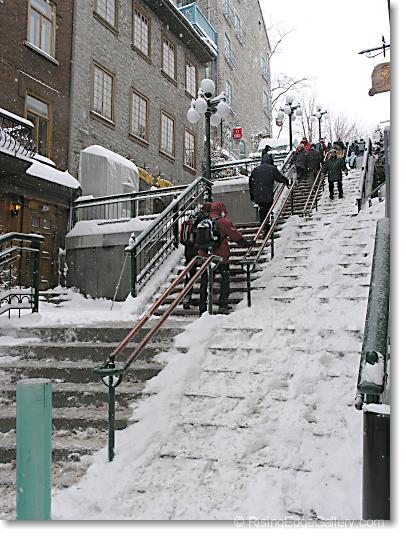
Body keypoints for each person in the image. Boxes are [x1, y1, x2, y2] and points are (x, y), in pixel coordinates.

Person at [198, 202, 253, 315]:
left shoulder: (204, 221)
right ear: (221, 210)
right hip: (221, 257)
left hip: (206, 257)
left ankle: (203, 307)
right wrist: (246, 243)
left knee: (205, 282)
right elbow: (235, 235)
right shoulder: (223, 222)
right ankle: (223, 304)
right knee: (224, 280)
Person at [249, 153, 290, 234]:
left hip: (257, 194)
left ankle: (264, 224)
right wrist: (286, 181)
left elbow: (251, 183)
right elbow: (279, 177)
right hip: (267, 194)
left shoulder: (256, 169)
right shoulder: (271, 168)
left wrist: (252, 195)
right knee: (267, 208)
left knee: (262, 208)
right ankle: (266, 226)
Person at [182, 202, 212, 310]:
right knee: (204, 275)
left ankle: (186, 297)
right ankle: (203, 300)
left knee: (190, 275)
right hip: (200, 251)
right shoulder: (205, 221)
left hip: (189, 251)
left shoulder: (192, 218)